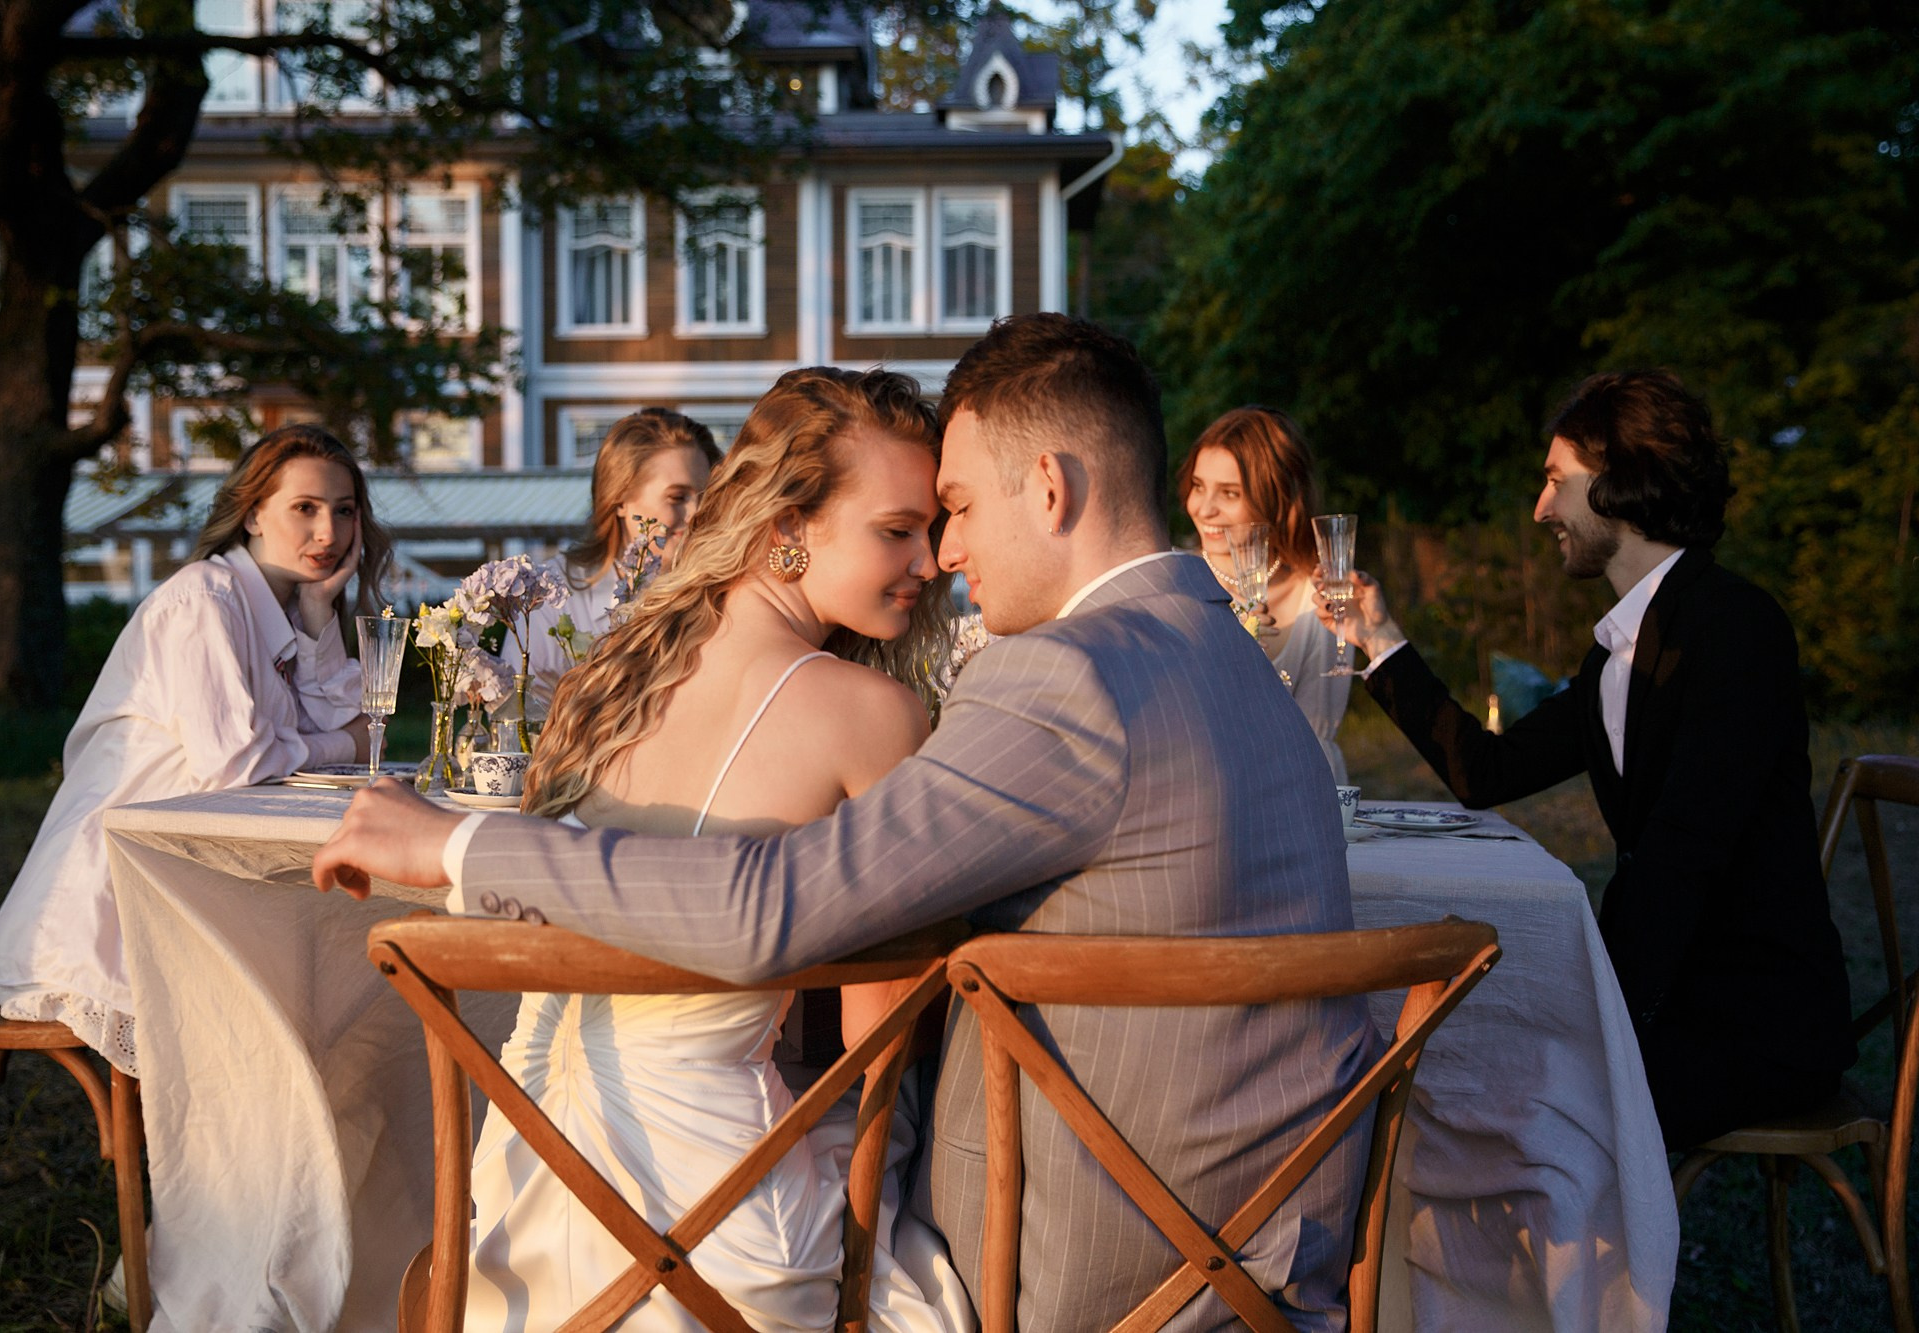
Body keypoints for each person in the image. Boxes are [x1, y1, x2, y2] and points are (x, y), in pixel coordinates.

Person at [316, 314, 1375, 1332]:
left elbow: (775, 911)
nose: (947, 552)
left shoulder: (1061, 677)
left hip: (1089, 1262)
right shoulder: (1238, 659)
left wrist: (456, 841)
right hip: (1267, 1243)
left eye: (952, 508)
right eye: (911, 524)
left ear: (1047, 489)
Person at [463, 367, 968, 1332]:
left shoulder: (602, 680)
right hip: (712, 1230)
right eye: (897, 530)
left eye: (932, 531)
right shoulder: (871, 713)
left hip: (527, 1191)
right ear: (786, 525)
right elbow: (877, 1051)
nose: (932, 561)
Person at [1316, 369, 1855, 1151]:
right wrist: (1380, 638)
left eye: (1556, 481)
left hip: (1754, 1024)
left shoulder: (1736, 626)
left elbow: (1684, 854)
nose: (1541, 509)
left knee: (1503, 1096)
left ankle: (1571, 1273)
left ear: (1620, 485)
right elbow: (1487, 773)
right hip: (1675, 999)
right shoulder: (1615, 657)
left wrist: (1590, 1007)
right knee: (1457, 1065)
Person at [0, 423, 386, 1075]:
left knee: (353, 973)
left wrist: (317, 617)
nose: (329, 533)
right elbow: (239, 764)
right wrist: (341, 739)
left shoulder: (276, 610)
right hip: (115, 906)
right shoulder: (204, 599)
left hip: (196, 870)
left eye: (344, 510)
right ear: (253, 512)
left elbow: (339, 737)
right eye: (304, 508)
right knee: (338, 979)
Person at [1180, 405, 1351, 781]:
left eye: (1229, 493)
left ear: (1276, 496)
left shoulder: (1318, 594)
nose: (1204, 509)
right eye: (1198, 486)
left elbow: (1315, 737)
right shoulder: (1171, 581)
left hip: (1299, 791)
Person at [522, 409, 721, 710]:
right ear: (620, 500)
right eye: (677, 497)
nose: (696, 513)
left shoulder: (721, 593)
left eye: (706, 497)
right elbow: (518, 720)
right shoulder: (552, 595)